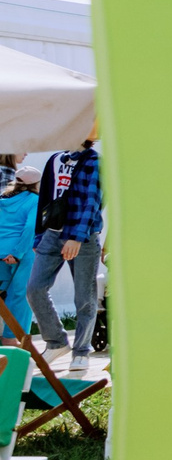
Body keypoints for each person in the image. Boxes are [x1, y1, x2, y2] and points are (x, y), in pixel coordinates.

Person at [28, 131, 102, 371]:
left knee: (84, 297)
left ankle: (81, 352)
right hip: (52, 234)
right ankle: (56, 341)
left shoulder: (93, 161)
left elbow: (92, 202)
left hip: (82, 236)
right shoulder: (56, 159)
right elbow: (46, 198)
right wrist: (40, 234)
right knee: (35, 288)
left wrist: (77, 237)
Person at [0, 158, 33, 343]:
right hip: (20, 253)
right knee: (21, 295)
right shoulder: (33, 199)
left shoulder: (3, 200)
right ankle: (15, 341)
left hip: (2, 251)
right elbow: (29, 228)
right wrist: (18, 253)